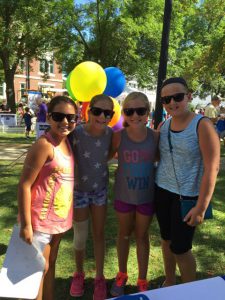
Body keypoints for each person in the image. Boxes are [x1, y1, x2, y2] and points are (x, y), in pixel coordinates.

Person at [154, 77, 220, 287]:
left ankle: (189, 290)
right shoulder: (163, 125)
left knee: (181, 249)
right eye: (166, 99)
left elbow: (212, 168)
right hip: (162, 191)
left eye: (178, 97)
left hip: (188, 197)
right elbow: (155, 155)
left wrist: (201, 207)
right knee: (166, 241)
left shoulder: (203, 125)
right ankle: (170, 282)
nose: (172, 102)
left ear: (189, 96)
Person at [18, 96, 77, 300]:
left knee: (49, 266)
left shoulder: (67, 142)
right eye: (59, 116)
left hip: (58, 220)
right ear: (49, 117)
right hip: (39, 222)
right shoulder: (44, 145)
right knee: (37, 273)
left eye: (71, 117)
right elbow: (25, 184)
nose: (65, 122)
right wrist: (26, 224)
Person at [110, 92, 158, 297]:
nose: (135, 115)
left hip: (146, 197)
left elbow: (162, 159)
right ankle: (121, 274)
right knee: (124, 234)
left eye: (141, 111)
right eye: (129, 111)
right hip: (123, 195)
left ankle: (142, 278)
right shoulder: (118, 136)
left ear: (148, 112)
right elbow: (103, 156)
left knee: (142, 237)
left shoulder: (156, 136)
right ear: (123, 113)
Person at [69, 94, 114, 300]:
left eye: (108, 113)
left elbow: (111, 154)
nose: (102, 116)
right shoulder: (75, 133)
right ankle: (78, 273)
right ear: (89, 111)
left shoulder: (111, 134)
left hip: (100, 191)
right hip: (78, 191)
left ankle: (99, 278)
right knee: (80, 235)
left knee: (98, 234)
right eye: (97, 111)